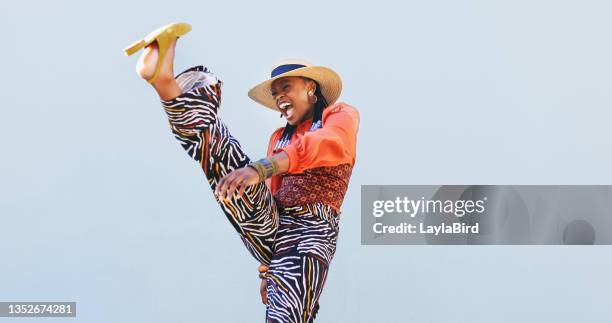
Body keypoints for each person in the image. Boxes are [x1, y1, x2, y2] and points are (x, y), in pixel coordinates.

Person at [124, 22, 359, 322]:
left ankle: (166, 85)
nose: (279, 98)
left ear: (310, 87)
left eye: (285, 88)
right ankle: (165, 83)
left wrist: (262, 168)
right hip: (274, 224)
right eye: (275, 94)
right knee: (223, 156)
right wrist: (267, 267)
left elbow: (326, 145)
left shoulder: (338, 116)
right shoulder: (279, 138)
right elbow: (270, 193)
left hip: (311, 231)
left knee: (288, 313)